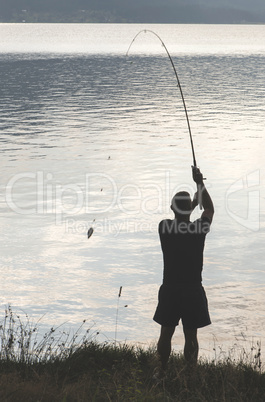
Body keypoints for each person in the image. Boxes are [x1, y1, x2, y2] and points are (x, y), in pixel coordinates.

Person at [153, 166, 214, 373]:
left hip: (170, 288)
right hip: (192, 289)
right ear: (190, 209)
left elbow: (185, 212)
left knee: (165, 333)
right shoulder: (198, 229)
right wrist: (200, 184)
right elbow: (210, 210)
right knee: (191, 335)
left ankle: (160, 372)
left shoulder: (164, 227)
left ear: (171, 209)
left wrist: (192, 201)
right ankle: (190, 375)